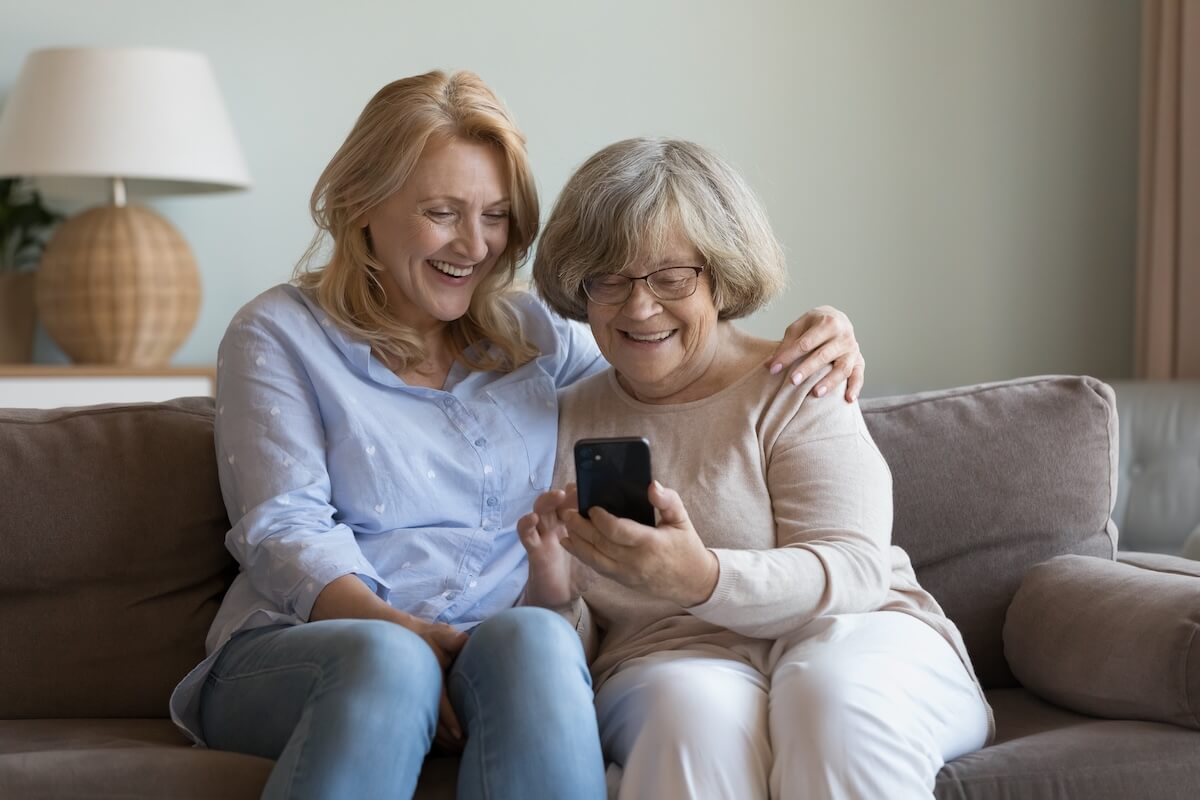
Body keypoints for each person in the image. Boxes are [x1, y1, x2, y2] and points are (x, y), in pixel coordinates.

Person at [166, 71, 866, 800]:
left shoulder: (536, 334)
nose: (474, 245)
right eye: (442, 212)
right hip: (311, 647)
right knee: (390, 661)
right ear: (360, 206)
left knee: (537, 639)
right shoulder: (278, 333)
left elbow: (672, 356)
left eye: (496, 216)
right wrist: (402, 633)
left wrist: (818, 336)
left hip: (494, 652)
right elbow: (284, 529)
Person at [520, 137, 993, 800]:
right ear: (579, 287)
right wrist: (550, 587)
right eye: (610, 279)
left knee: (828, 698)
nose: (639, 307)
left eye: (671, 276)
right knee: (691, 718)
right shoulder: (558, 418)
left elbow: (854, 570)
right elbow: (579, 633)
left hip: (853, 633)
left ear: (721, 274)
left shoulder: (798, 379)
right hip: (668, 660)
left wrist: (699, 576)